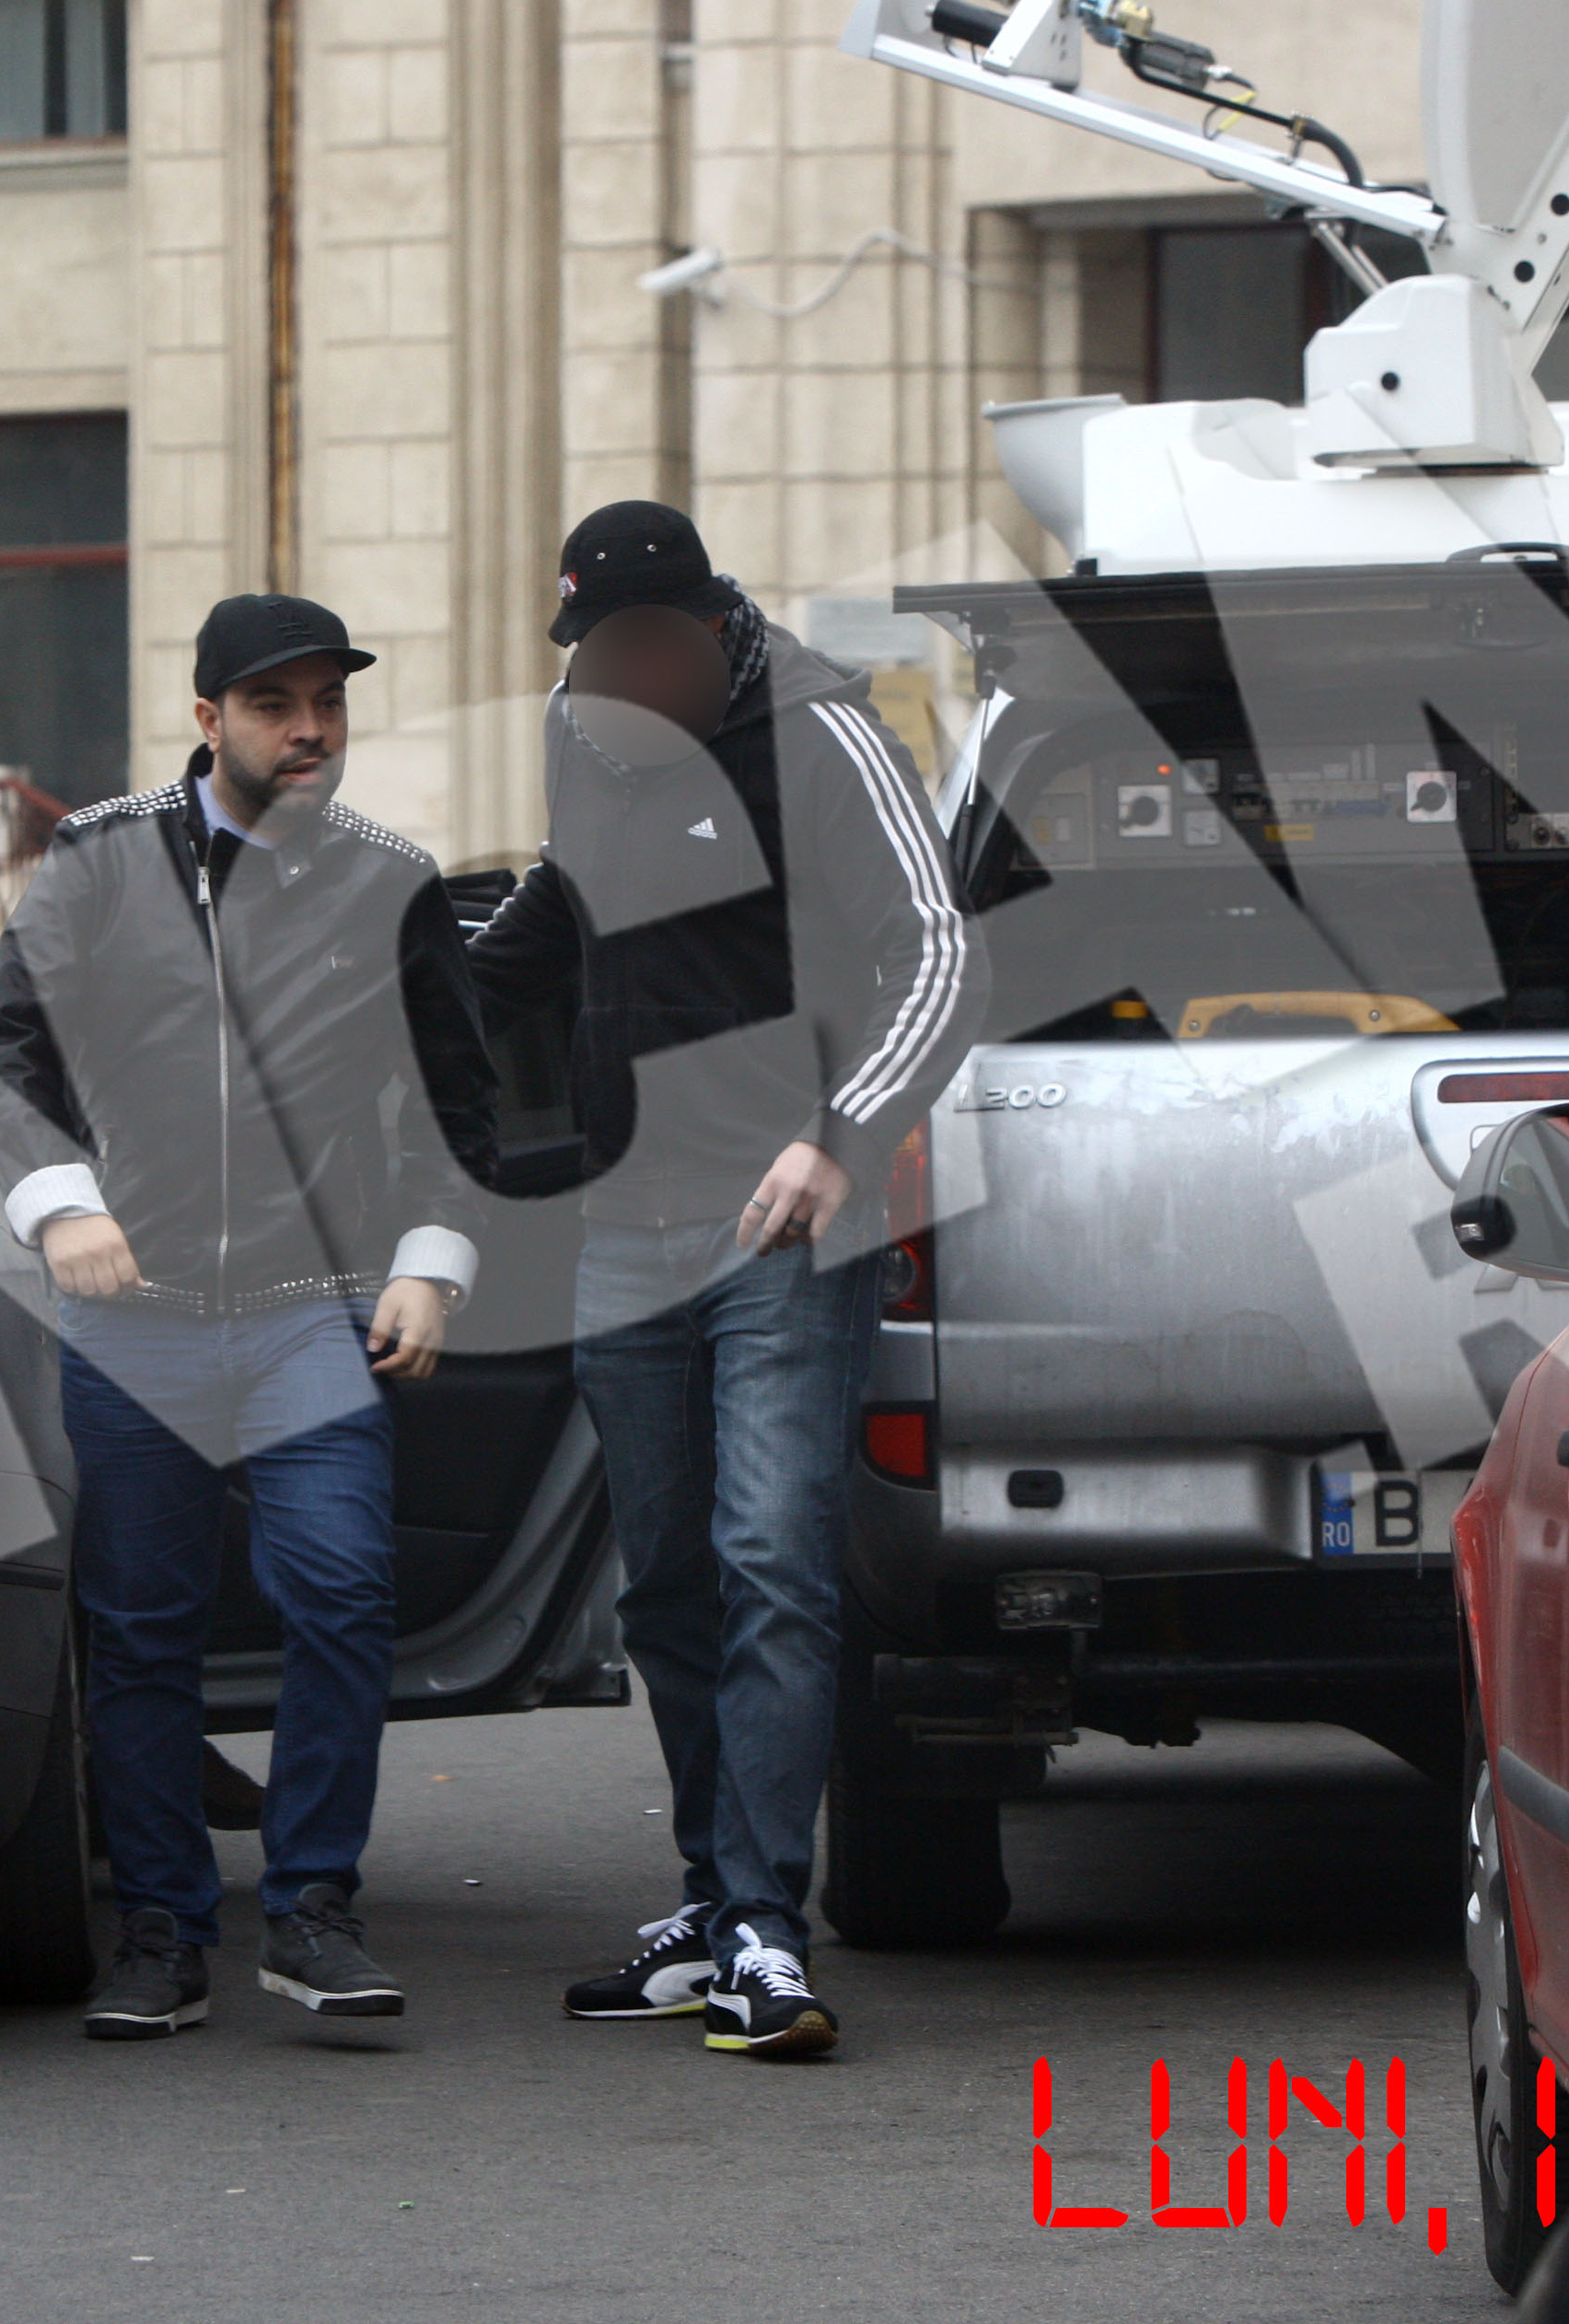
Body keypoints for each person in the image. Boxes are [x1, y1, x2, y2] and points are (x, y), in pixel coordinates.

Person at [467, 502, 982, 2060]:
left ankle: (767, 1925)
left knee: (772, 1563)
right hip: (627, 1223)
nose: (616, 678)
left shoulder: (822, 731)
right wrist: (442, 986)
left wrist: (839, 1141)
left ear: (706, 627)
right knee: (669, 1583)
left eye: (640, 650)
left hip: (779, 1223)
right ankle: (714, 1901)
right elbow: (577, 897)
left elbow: (937, 958)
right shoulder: (585, 725)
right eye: (592, 655)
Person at [0, 592, 504, 2041]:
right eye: (276, 704)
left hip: (306, 1310)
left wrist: (430, 1257)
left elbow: (464, 1104)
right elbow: (7, 1059)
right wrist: (62, 1206)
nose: (311, 728)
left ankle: (314, 1912)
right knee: (140, 1632)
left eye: (328, 700)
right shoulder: (96, 863)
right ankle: (158, 1928)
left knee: (340, 1591)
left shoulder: (391, 879)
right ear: (209, 720)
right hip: (130, 1315)